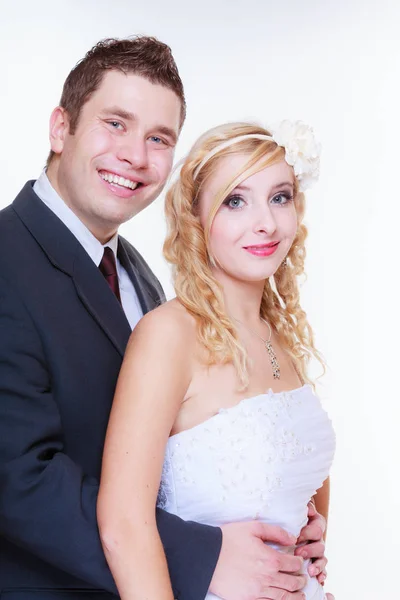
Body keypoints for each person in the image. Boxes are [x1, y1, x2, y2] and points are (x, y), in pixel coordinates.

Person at [0, 35, 330, 600]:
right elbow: (17, 479)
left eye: (158, 138)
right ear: (60, 128)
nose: (136, 155)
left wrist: (292, 520)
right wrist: (204, 555)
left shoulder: (139, 275)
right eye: (116, 124)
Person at [97, 120, 336, 600]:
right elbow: (123, 523)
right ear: (196, 219)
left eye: (280, 196)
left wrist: (313, 530)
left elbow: (300, 467)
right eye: (235, 201)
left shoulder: (280, 336)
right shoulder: (168, 336)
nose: (265, 222)